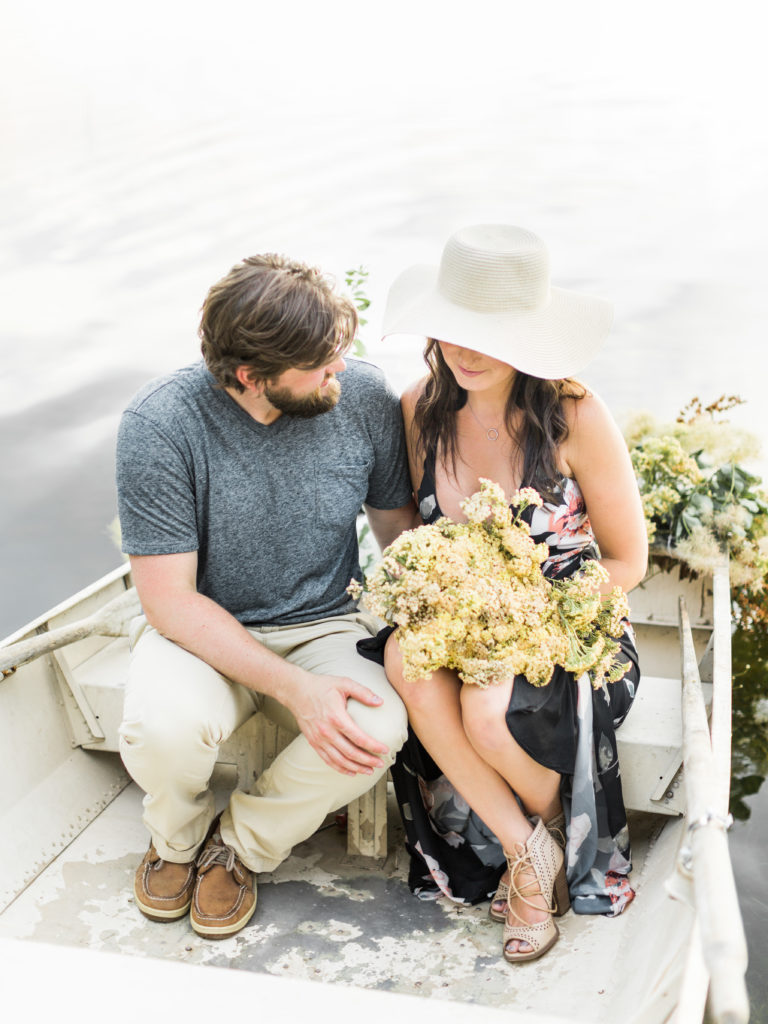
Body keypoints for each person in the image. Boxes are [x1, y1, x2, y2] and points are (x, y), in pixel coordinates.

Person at [116, 253, 415, 939]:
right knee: (163, 730)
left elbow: (399, 537)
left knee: (375, 732)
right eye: (320, 365)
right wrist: (294, 690)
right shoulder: (160, 426)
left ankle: (239, 846)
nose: (340, 369)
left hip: (327, 624)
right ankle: (176, 840)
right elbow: (170, 603)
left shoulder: (364, 397)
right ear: (251, 377)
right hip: (200, 629)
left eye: (340, 352)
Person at [372, 224, 648, 963]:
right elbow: (409, 539)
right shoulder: (420, 407)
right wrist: (441, 595)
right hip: (467, 613)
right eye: (454, 329)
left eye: (490, 333)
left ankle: (552, 827)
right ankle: (531, 847)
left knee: (487, 708)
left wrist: (532, 623)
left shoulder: (576, 417)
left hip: (569, 618)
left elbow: (628, 559)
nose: (464, 349)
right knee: (405, 657)